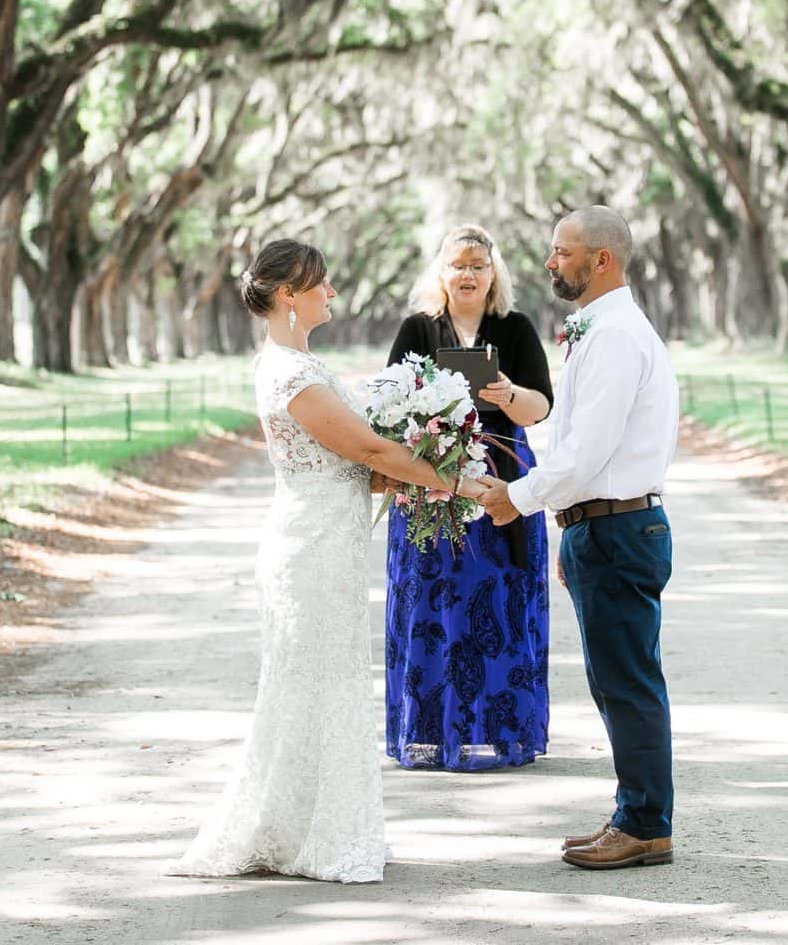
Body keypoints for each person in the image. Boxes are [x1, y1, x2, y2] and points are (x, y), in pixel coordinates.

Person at [168, 239, 495, 884]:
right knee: (311, 683)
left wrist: (420, 471)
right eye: (321, 283)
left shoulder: (302, 361)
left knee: (327, 681)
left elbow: (357, 464)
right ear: (288, 294)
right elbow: (370, 449)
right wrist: (458, 482)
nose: (333, 294)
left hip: (330, 539)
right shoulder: (289, 372)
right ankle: (305, 833)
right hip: (309, 547)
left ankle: (315, 825)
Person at [476, 206, 680, 871]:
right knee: (616, 681)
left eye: (563, 252)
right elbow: (580, 441)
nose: (549, 262)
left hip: (619, 526)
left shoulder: (618, 336)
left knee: (628, 683)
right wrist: (570, 528)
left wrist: (521, 499)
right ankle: (634, 814)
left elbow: (589, 450)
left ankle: (646, 824)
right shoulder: (603, 329)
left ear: (603, 261)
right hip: (604, 526)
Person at [382, 225, 554, 771]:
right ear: (441, 272)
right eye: (458, 264)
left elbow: (540, 408)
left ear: (494, 273)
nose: (468, 274)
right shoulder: (417, 329)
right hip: (429, 481)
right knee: (430, 602)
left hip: (501, 478)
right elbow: (388, 407)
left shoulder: (516, 328)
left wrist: (508, 394)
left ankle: (504, 731)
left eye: (479, 265)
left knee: (500, 601)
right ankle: (431, 731)